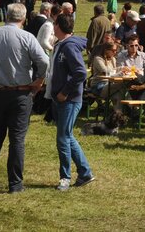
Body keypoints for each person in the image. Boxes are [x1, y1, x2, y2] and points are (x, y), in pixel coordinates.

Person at [0, 3, 50, 194]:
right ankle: (15, 184)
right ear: (22, 19)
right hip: (20, 93)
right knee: (17, 139)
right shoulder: (27, 36)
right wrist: (38, 81)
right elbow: (44, 60)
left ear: (7, 17)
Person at [46, 14, 94, 190]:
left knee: (63, 139)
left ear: (58, 26)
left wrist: (65, 92)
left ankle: (65, 178)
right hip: (61, 98)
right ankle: (85, 172)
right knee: (67, 136)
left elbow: (81, 72)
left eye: (54, 24)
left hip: (69, 100)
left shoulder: (69, 47)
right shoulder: (62, 44)